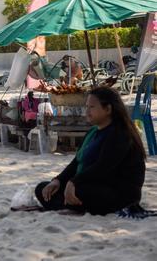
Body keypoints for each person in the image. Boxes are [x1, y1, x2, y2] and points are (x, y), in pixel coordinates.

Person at [34, 87, 146, 215]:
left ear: (108, 109)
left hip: (118, 193)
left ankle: (68, 204)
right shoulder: (93, 132)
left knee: (80, 191)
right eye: (86, 107)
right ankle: (68, 204)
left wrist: (74, 182)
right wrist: (58, 180)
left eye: (91, 107)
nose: (86, 112)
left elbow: (103, 167)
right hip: (94, 184)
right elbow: (76, 162)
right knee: (43, 188)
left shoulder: (120, 134)